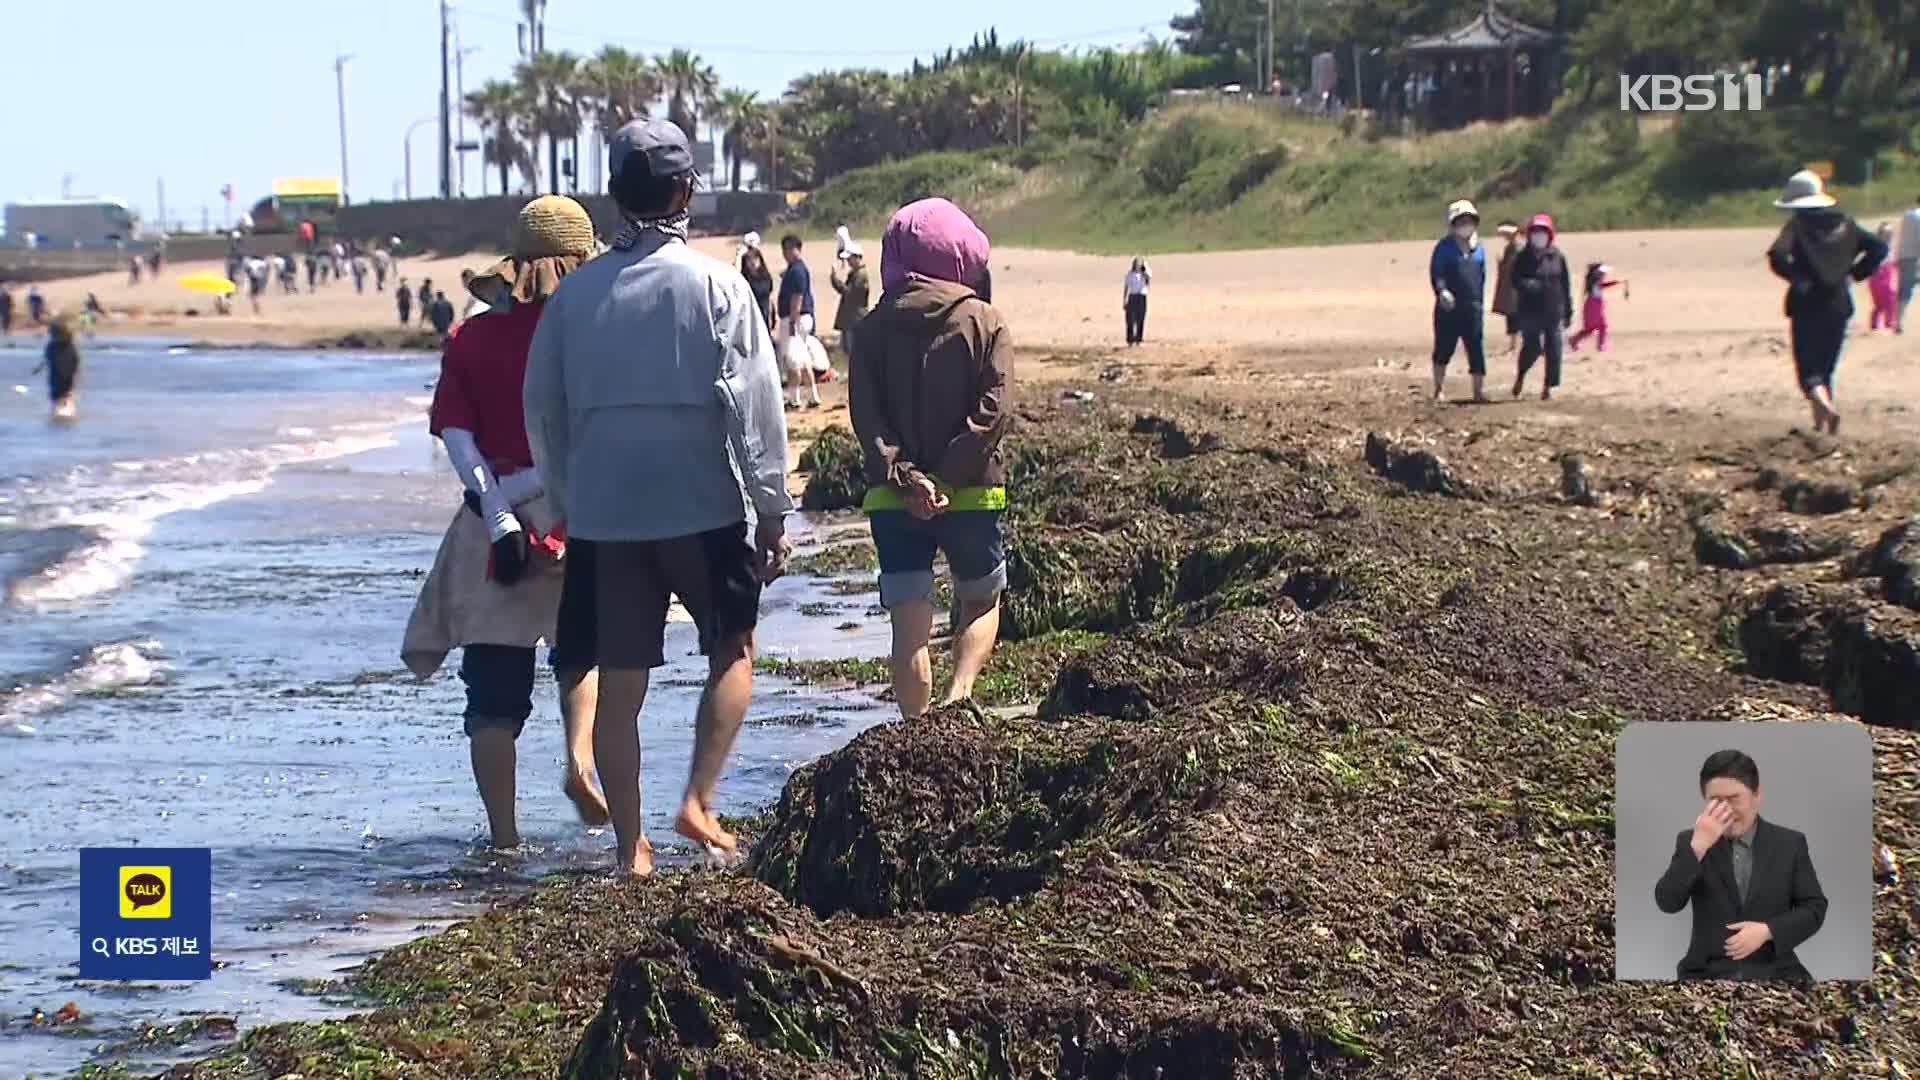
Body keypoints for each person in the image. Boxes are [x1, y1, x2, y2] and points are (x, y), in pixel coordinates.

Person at [524, 118, 794, 877]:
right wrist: (771, 508)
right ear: (684, 191)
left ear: (614, 195)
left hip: (608, 516)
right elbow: (754, 402)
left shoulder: (573, 299)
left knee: (622, 685)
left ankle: (629, 847)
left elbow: (541, 409)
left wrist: (568, 499)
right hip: (700, 506)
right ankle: (698, 800)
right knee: (733, 646)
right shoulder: (716, 284)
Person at [402, 195, 606, 851]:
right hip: (577, 517)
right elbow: (586, 439)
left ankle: (505, 837)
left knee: (492, 694)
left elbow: (457, 438)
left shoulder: (471, 337)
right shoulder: (595, 338)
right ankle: (579, 760)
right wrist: (536, 490)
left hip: (496, 534)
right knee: (579, 656)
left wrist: (499, 507)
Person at [850, 197, 1010, 721]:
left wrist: (910, 479)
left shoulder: (871, 330)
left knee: (909, 621)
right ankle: (958, 698)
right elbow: (994, 412)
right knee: (982, 597)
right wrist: (945, 476)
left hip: (893, 498)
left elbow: (867, 421)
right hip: (971, 490)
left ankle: (917, 727)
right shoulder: (985, 322)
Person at [1653, 749, 1827, 983]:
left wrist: (1768, 931)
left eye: (1734, 799)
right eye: (1715, 801)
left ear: (1757, 794)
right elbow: (1667, 902)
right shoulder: (1690, 842)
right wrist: (1697, 848)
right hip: (1707, 972)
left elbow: (1814, 907)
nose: (1726, 810)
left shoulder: (1790, 843)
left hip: (1776, 972)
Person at [1766, 170, 1887, 436]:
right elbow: (1879, 248)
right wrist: (1855, 273)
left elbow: (1776, 256)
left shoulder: (1797, 226)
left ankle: (1823, 408)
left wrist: (1797, 278)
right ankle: (1821, 425)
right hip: (1838, 303)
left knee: (1808, 369)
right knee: (1826, 367)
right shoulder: (1846, 224)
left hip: (1806, 303)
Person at [1429, 198, 1488, 403]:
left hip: (1472, 308)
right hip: (1448, 308)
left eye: (1469, 220)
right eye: (1460, 221)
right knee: (1444, 348)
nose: (1465, 225)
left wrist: (1479, 302)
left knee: (1476, 350)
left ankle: (1478, 392)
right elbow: (1437, 273)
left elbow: (1481, 276)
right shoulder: (1444, 248)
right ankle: (1438, 389)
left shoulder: (1478, 249)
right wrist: (1442, 291)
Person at [1511, 212, 1572, 401]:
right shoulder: (1522, 257)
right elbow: (1514, 279)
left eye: (1543, 232)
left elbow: (1565, 284)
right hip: (1530, 310)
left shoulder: (1557, 256)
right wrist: (1528, 285)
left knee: (1554, 348)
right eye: (1535, 232)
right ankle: (1521, 374)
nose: (1539, 235)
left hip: (1554, 309)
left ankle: (1548, 387)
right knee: (1533, 346)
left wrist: (1568, 311)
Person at [776, 233, 821, 409]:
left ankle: (794, 398)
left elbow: (797, 297)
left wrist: (793, 321)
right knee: (803, 359)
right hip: (801, 317)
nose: (786, 253)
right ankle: (812, 395)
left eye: (788, 249)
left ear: (797, 249)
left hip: (796, 318)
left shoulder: (796, 271)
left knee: (793, 360)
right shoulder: (796, 269)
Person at [1568, 262, 1628, 352]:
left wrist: (1618, 282)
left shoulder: (1593, 283)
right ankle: (1599, 345)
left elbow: (1603, 285)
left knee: (1591, 328)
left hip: (1593, 306)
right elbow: (1603, 285)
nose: (1604, 275)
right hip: (1594, 306)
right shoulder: (1594, 282)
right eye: (1602, 273)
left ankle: (1574, 340)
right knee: (1600, 326)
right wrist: (1617, 282)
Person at [829, 240, 871, 364]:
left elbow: (849, 293)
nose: (848, 261)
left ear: (857, 257)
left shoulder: (861, 275)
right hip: (851, 318)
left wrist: (835, 279)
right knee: (848, 349)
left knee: (854, 351)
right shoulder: (855, 274)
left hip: (855, 318)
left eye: (850, 258)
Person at [31, 316, 81, 417]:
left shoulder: (69, 347)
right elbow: (46, 359)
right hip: (56, 375)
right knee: (56, 394)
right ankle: (59, 410)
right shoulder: (52, 346)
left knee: (65, 393)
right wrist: (38, 368)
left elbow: (76, 361)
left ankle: (65, 409)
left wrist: (76, 373)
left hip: (66, 375)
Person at [1489, 220, 1523, 355]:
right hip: (1511, 287)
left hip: (1515, 288)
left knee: (1515, 315)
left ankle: (1515, 345)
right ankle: (1514, 344)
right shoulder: (1512, 248)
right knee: (1512, 316)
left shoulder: (1517, 248)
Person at [738, 234, 775, 332]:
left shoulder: (765, 276)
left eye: (755, 259)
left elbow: (764, 291)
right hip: (748, 320)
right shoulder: (743, 279)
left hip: (763, 317)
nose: (753, 262)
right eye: (749, 260)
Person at [1867, 224, 1899, 332]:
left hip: (1886, 277)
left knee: (1890, 299)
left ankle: (1887, 322)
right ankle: (1877, 323)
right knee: (1881, 303)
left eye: (1889, 234)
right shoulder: (1876, 247)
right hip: (1877, 278)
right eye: (1886, 234)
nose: (1888, 236)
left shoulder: (1890, 248)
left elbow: (1893, 262)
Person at [1897, 194, 1919, 335]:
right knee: (1906, 289)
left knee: (1904, 289)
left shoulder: (1908, 214)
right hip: (1915, 257)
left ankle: (1898, 320)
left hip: (1904, 255)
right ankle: (1898, 321)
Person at [1122, 256, 1151, 345]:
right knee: (1130, 319)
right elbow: (1126, 287)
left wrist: (1144, 268)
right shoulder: (1130, 274)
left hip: (1142, 297)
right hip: (1132, 296)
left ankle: (1139, 339)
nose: (1138, 265)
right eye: (1136, 263)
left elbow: (1148, 279)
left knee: (1140, 319)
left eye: (1139, 263)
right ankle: (1130, 339)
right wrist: (1124, 299)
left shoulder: (1145, 274)